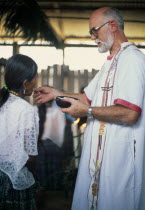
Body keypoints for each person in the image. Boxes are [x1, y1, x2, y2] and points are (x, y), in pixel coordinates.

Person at [33, 7, 145, 210]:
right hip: (102, 154)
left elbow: (130, 113)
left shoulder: (133, 60)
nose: (93, 37)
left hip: (120, 156)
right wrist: (55, 93)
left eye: (94, 30)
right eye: (90, 33)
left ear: (112, 25)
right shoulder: (110, 63)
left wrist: (87, 112)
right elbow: (87, 98)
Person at [0, 54, 39, 210]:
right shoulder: (26, 110)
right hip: (13, 182)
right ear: (25, 83)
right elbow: (31, 156)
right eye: (35, 80)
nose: (36, 84)